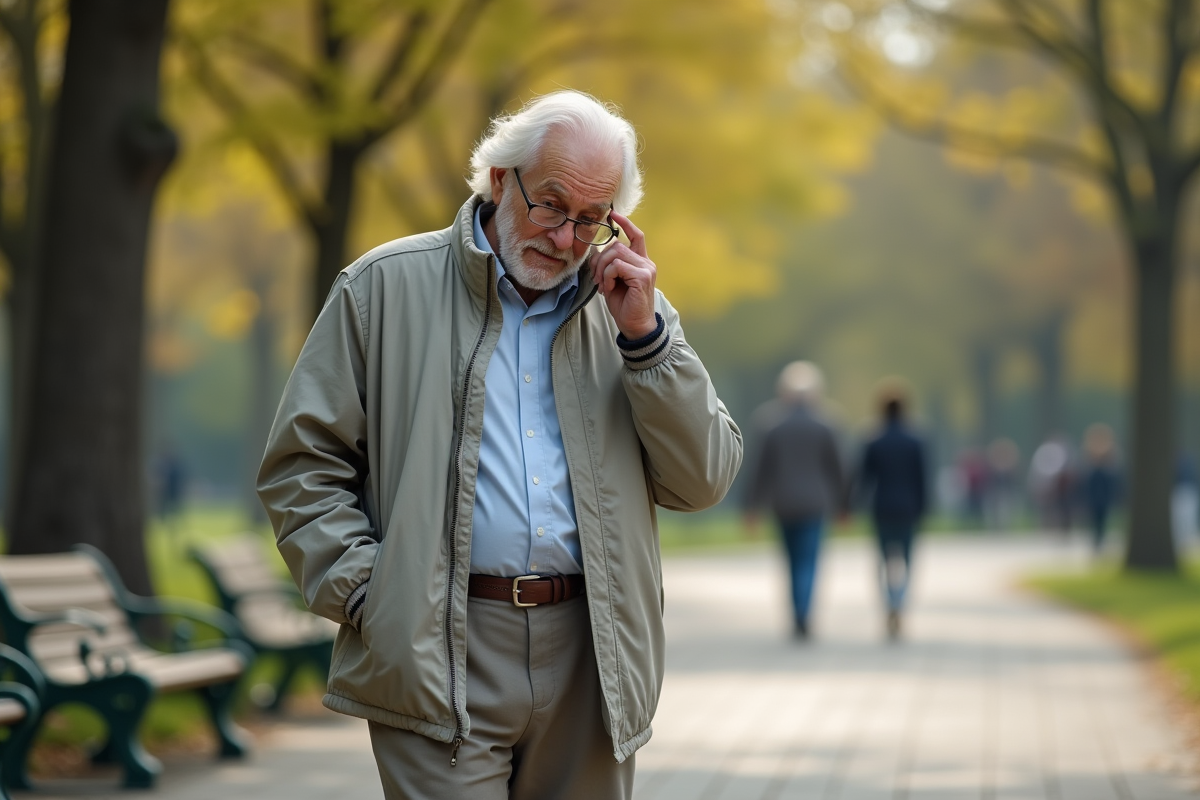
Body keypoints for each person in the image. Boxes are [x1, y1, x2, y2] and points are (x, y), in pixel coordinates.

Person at [256, 91, 742, 799]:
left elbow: (704, 480)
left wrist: (646, 342)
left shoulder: (631, 312)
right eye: (549, 205)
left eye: (590, 219)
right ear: (498, 179)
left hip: (591, 652)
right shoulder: (381, 288)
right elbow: (303, 465)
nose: (566, 238)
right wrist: (372, 596)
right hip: (437, 645)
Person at [743, 361, 846, 640]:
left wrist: (751, 507)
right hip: (815, 504)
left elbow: (759, 469)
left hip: (783, 503)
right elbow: (837, 468)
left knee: (790, 562)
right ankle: (804, 613)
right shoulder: (827, 423)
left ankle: (796, 613)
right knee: (809, 562)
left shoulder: (769, 424)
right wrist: (844, 506)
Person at [858, 385, 927, 639]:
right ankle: (900, 601)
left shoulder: (873, 440)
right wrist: (924, 508)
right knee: (907, 560)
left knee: (884, 560)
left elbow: (865, 478)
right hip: (908, 508)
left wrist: (854, 505)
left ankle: (889, 600)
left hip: (882, 507)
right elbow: (921, 479)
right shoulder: (915, 440)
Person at [1079, 424, 1120, 554]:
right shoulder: (1090, 457)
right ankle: (1097, 541)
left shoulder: (1108, 458)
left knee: (1101, 520)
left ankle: (1099, 541)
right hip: (1095, 495)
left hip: (1102, 495)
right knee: (1095, 520)